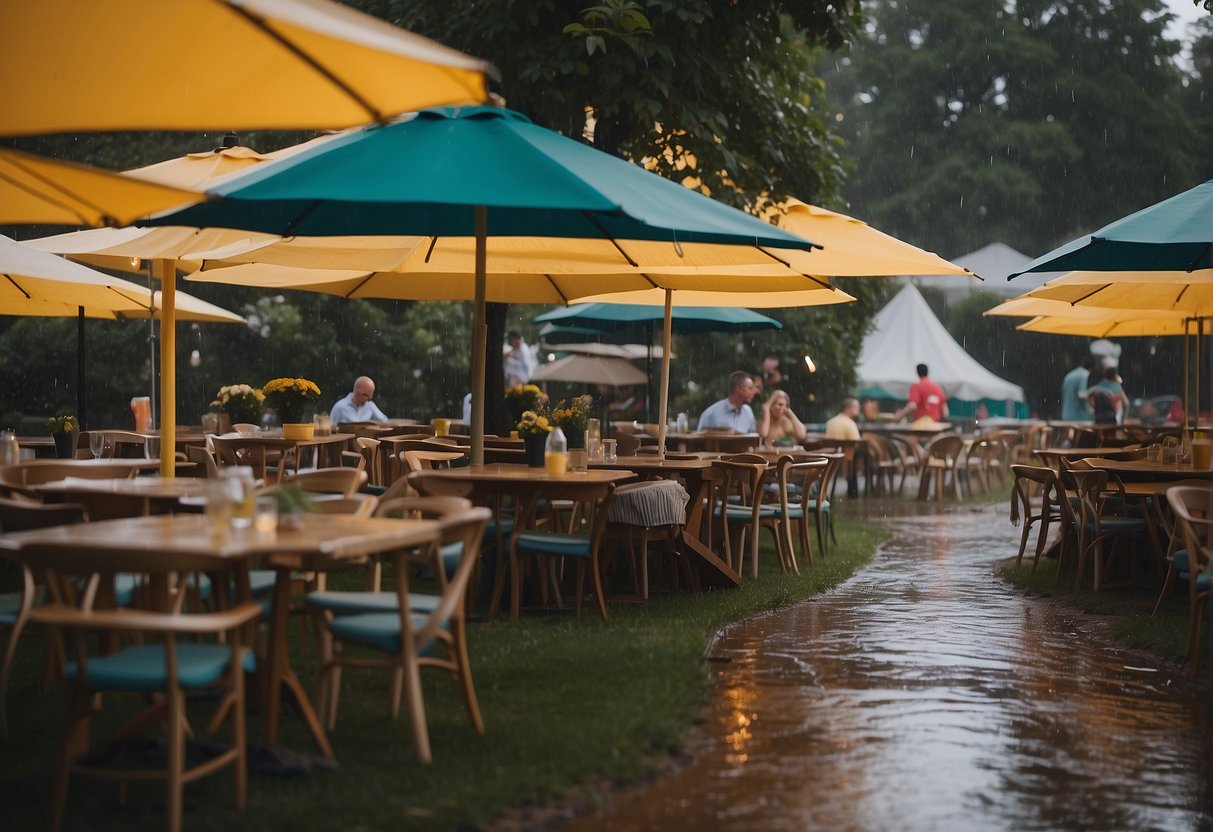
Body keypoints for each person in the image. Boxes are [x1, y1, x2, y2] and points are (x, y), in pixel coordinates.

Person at [1060, 356, 1095, 421]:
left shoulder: (1070, 375)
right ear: (1091, 369)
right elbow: (1081, 395)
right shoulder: (1084, 375)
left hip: (1066, 413)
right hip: (1077, 416)